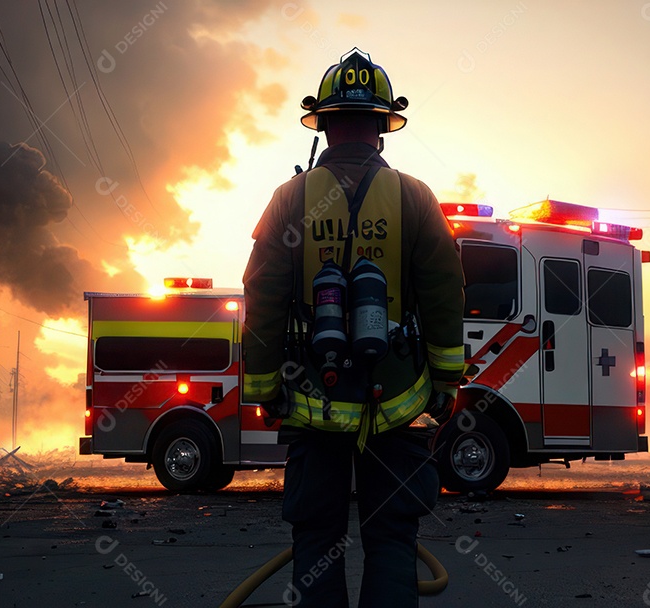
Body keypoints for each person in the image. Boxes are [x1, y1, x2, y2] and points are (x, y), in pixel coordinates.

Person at [242, 48, 465, 607]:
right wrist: (445, 383)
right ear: (383, 129)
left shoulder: (288, 199)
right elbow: (443, 292)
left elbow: (263, 297)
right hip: (398, 405)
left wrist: (265, 388)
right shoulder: (415, 198)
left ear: (324, 125)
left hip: (313, 400)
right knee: (391, 537)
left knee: (317, 538)